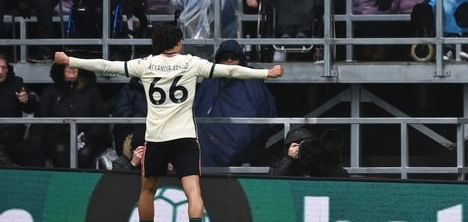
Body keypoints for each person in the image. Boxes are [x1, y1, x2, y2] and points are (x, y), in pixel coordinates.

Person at [53, 23, 285, 222]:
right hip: (185, 138)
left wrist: (70, 60)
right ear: (176, 42)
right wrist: (266, 73)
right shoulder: (192, 63)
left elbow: (106, 66)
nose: (183, 43)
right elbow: (231, 72)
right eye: (181, 40)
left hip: (157, 139)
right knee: (193, 190)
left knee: (147, 190)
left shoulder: (144, 64)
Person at [196, 40, 278, 167]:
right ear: (219, 60)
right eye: (225, 58)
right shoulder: (211, 80)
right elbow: (200, 109)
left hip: (247, 135)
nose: (229, 61)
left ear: (240, 59)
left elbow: (264, 107)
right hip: (217, 137)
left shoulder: (252, 80)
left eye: (233, 57)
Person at [32, 61, 111, 169]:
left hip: (88, 138)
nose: (72, 69)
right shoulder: (49, 93)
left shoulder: (92, 92)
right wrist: (35, 146)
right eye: (67, 66)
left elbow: (101, 120)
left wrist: (87, 137)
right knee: (60, 150)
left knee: (85, 153)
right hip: (57, 139)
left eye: (75, 65)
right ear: (60, 70)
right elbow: (40, 123)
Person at [0, 53, 41, 166]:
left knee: (34, 156)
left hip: (13, 139)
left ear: (7, 69)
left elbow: (31, 108)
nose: (0, 71)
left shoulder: (17, 83)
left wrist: (26, 101)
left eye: (3, 67)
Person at [269, 127, 349, 178]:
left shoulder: (318, 160)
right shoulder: (282, 162)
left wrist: (323, 158)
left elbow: (343, 176)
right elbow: (273, 183)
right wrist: (289, 159)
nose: (306, 149)